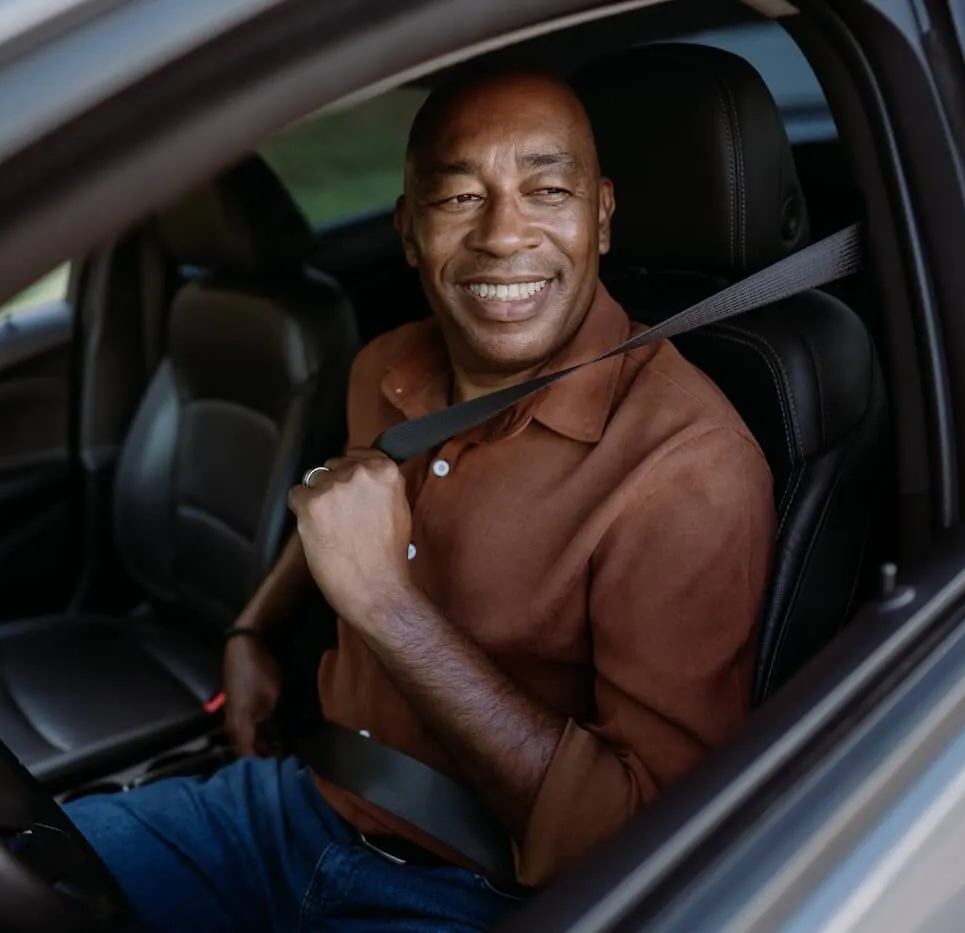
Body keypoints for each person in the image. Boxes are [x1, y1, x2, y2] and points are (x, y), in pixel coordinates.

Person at [65, 70, 776, 932]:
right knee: (4, 870)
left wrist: (386, 608)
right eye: (457, 197)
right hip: (287, 809)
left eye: (547, 190)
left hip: (472, 892)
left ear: (603, 214)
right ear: (409, 231)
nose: (504, 233)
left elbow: (652, 842)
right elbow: (344, 502)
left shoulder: (686, 468)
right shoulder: (389, 365)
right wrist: (255, 626)